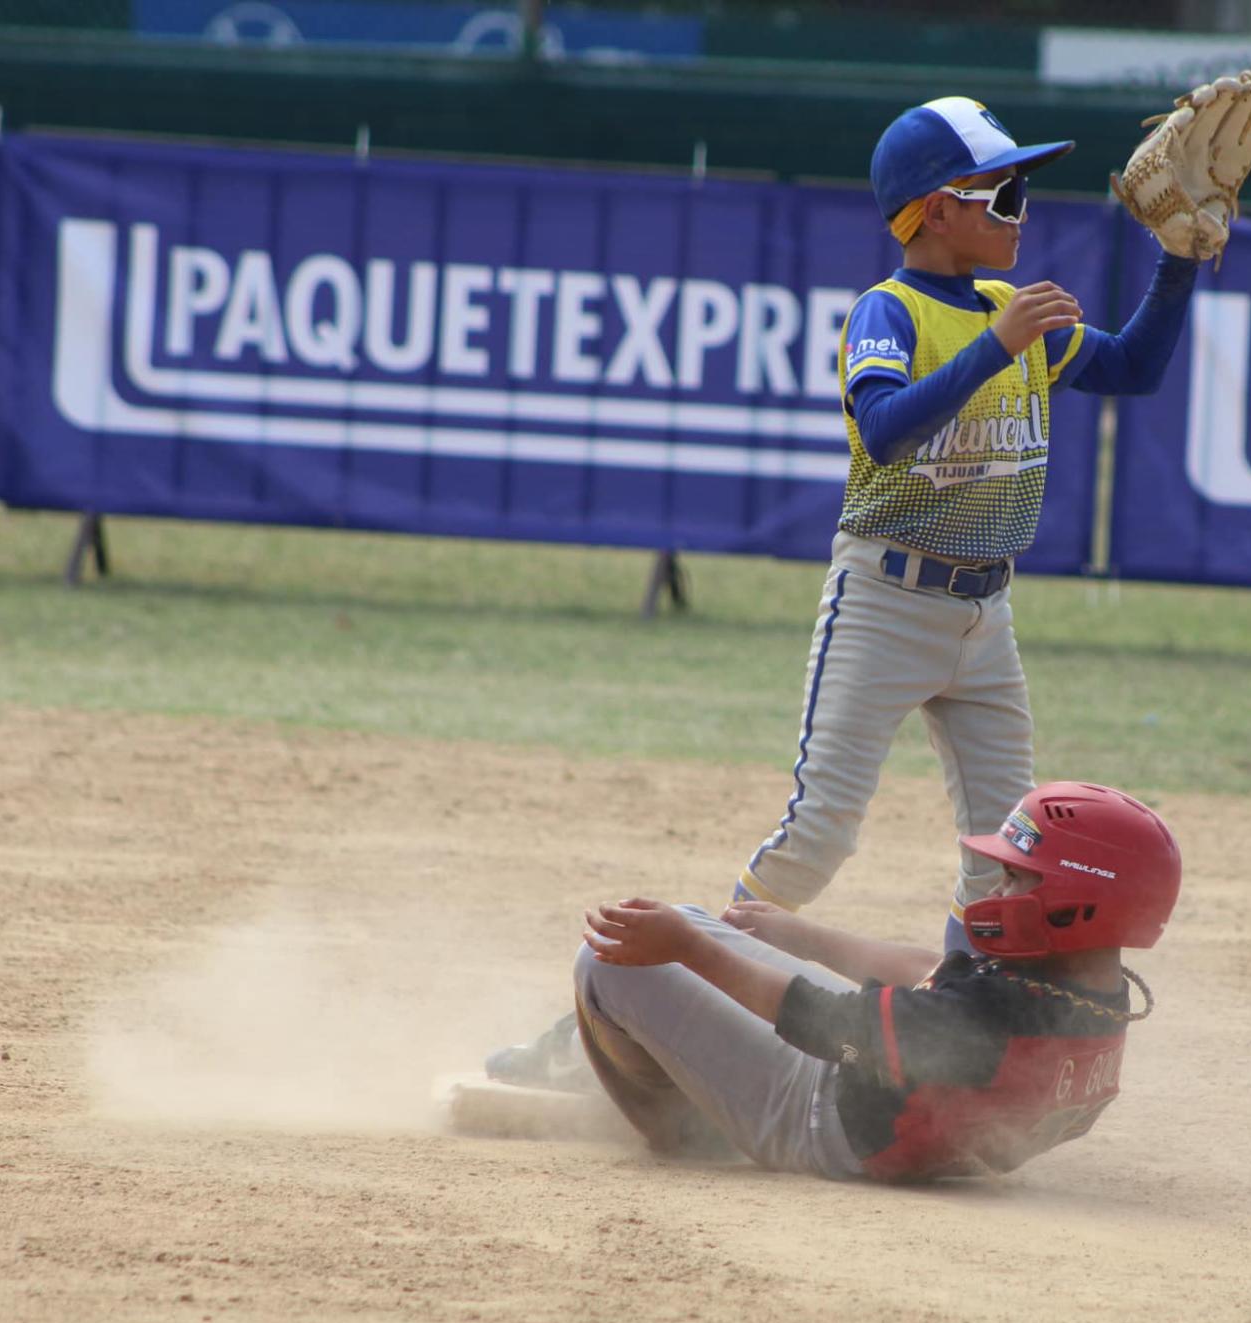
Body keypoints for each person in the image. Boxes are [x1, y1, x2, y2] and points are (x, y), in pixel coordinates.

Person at [488, 94, 1209, 1088]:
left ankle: (967, 1041)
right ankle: (605, 1023)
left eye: (1022, 188)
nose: (1019, 208)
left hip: (983, 614)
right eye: (999, 190)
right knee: (815, 834)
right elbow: (883, 428)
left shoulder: (1015, 315)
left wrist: (1177, 259)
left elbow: (1130, 368)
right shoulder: (891, 310)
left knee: (1007, 851)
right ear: (931, 209)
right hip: (884, 598)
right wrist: (997, 348)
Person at [570, 782, 1180, 1182]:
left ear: (1081, 900)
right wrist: (800, 935)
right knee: (691, 923)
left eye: (1019, 878)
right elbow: (938, 975)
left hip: (820, 1121)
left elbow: (820, 1022)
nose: (998, 891)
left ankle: (684, 1125)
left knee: (608, 961)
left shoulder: (984, 1021)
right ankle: (680, 1055)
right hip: (902, 1117)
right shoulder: (1090, 988)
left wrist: (687, 948)